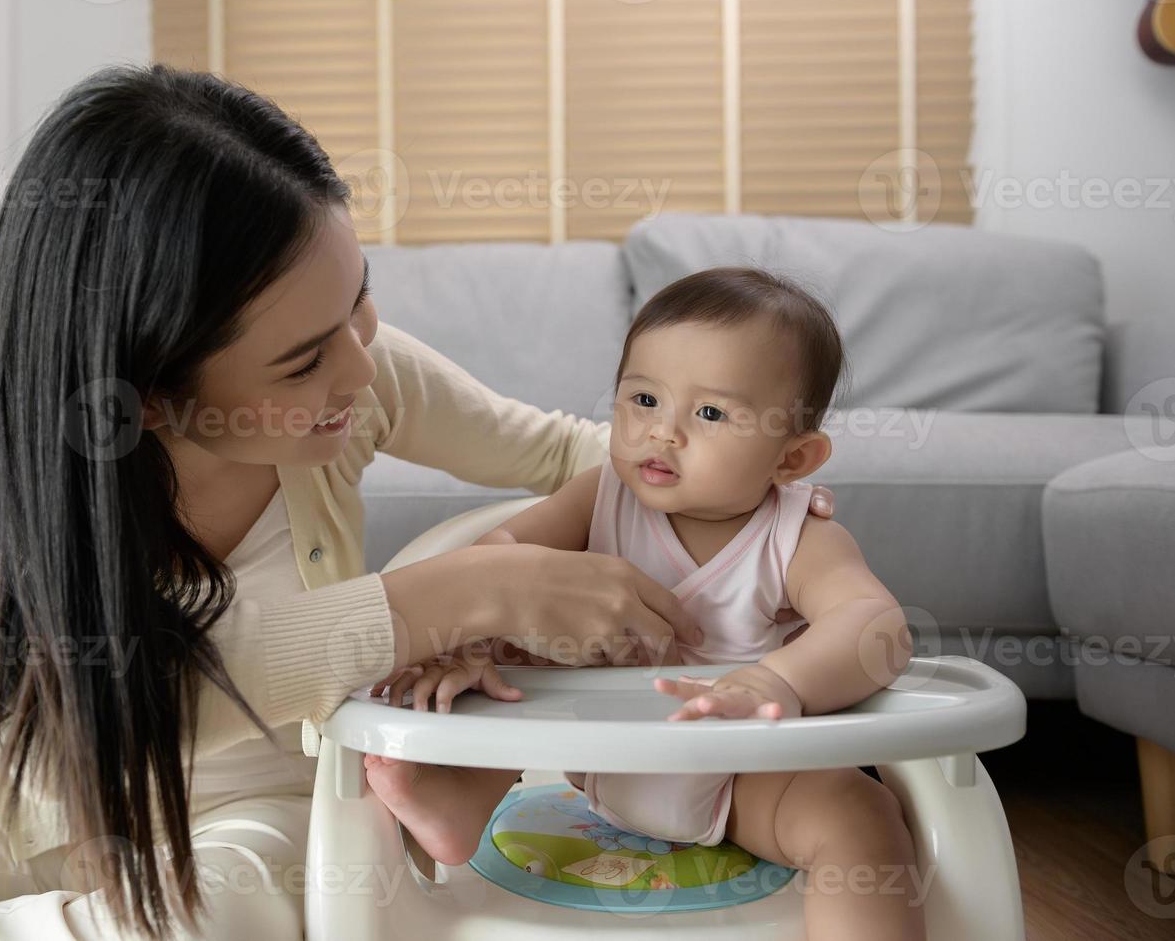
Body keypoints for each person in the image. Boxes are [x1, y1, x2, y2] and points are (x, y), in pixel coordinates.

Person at [0, 67, 832, 940]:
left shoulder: (367, 380)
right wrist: (458, 591)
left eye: (362, 302)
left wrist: (773, 512)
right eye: (300, 363)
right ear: (146, 399)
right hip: (13, 808)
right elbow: (121, 700)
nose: (358, 368)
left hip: (257, 817)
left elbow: (584, 452)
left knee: (254, 899)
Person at [365, 268, 922, 941]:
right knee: (504, 655)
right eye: (644, 399)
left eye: (710, 414)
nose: (662, 433)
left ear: (792, 457)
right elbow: (497, 560)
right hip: (590, 751)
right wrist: (471, 642)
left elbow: (876, 627)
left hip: (743, 778)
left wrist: (776, 682)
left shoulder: (797, 538)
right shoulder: (598, 496)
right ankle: (461, 799)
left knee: (858, 819)